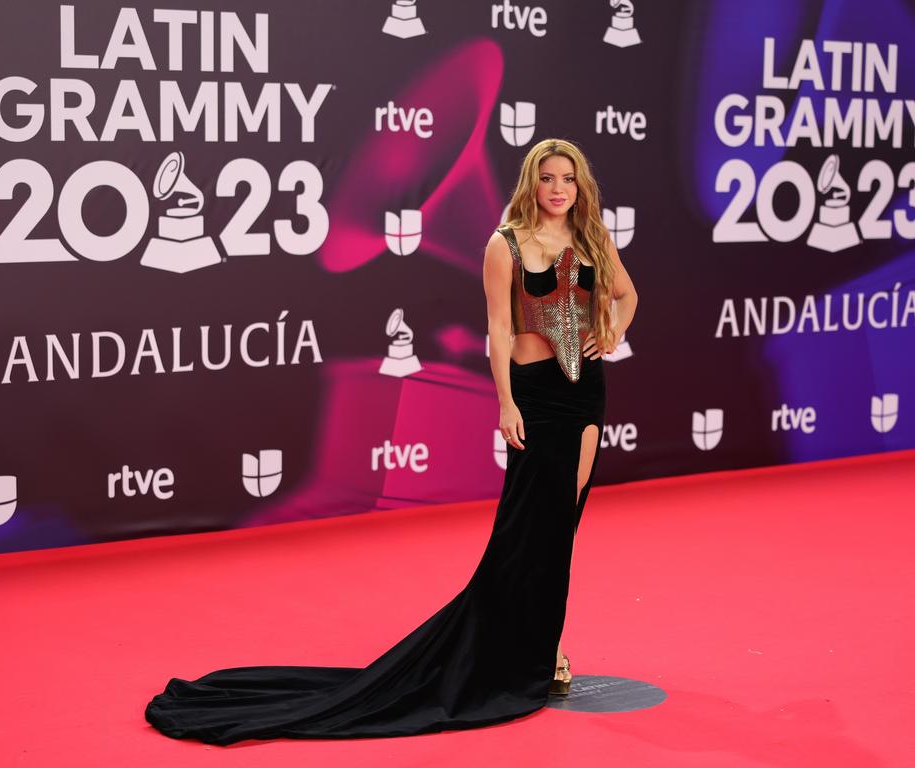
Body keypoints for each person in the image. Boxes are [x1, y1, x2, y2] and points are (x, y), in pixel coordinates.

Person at [143, 138, 638, 746]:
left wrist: (610, 330)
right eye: (547, 178)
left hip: (586, 396)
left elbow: (625, 294)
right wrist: (507, 403)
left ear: (580, 185)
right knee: (522, 530)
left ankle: (547, 647)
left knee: (563, 524)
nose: (558, 188)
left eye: (568, 178)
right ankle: (519, 649)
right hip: (534, 398)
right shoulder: (505, 244)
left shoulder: (592, 239)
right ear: (531, 185)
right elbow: (499, 330)